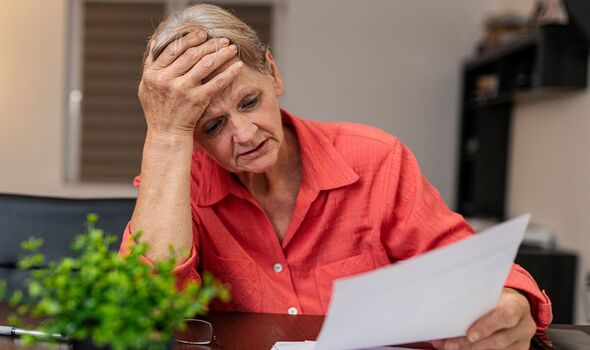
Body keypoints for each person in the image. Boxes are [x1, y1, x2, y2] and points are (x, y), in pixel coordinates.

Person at [119, 4, 552, 349]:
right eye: (212, 127)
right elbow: (144, 312)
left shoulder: (375, 159)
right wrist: (165, 135)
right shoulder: (181, 181)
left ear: (273, 72)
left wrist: (510, 303)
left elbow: (466, 266)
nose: (245, 134)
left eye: (250, 101)